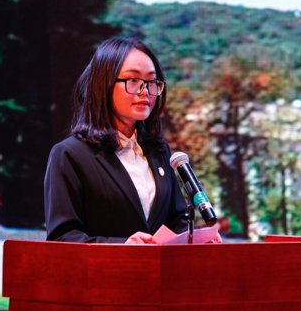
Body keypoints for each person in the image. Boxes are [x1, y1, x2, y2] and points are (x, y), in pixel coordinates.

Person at [45, 37, 212, 244]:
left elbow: (174, 221)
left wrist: (198, 238)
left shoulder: (159, 151)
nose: (145, 91)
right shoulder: (70, 155)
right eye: (133, 80)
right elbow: (62, 237)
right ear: (104, 84)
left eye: (152, 82)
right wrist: (122, 246)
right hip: (107, 266)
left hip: (158, 266)